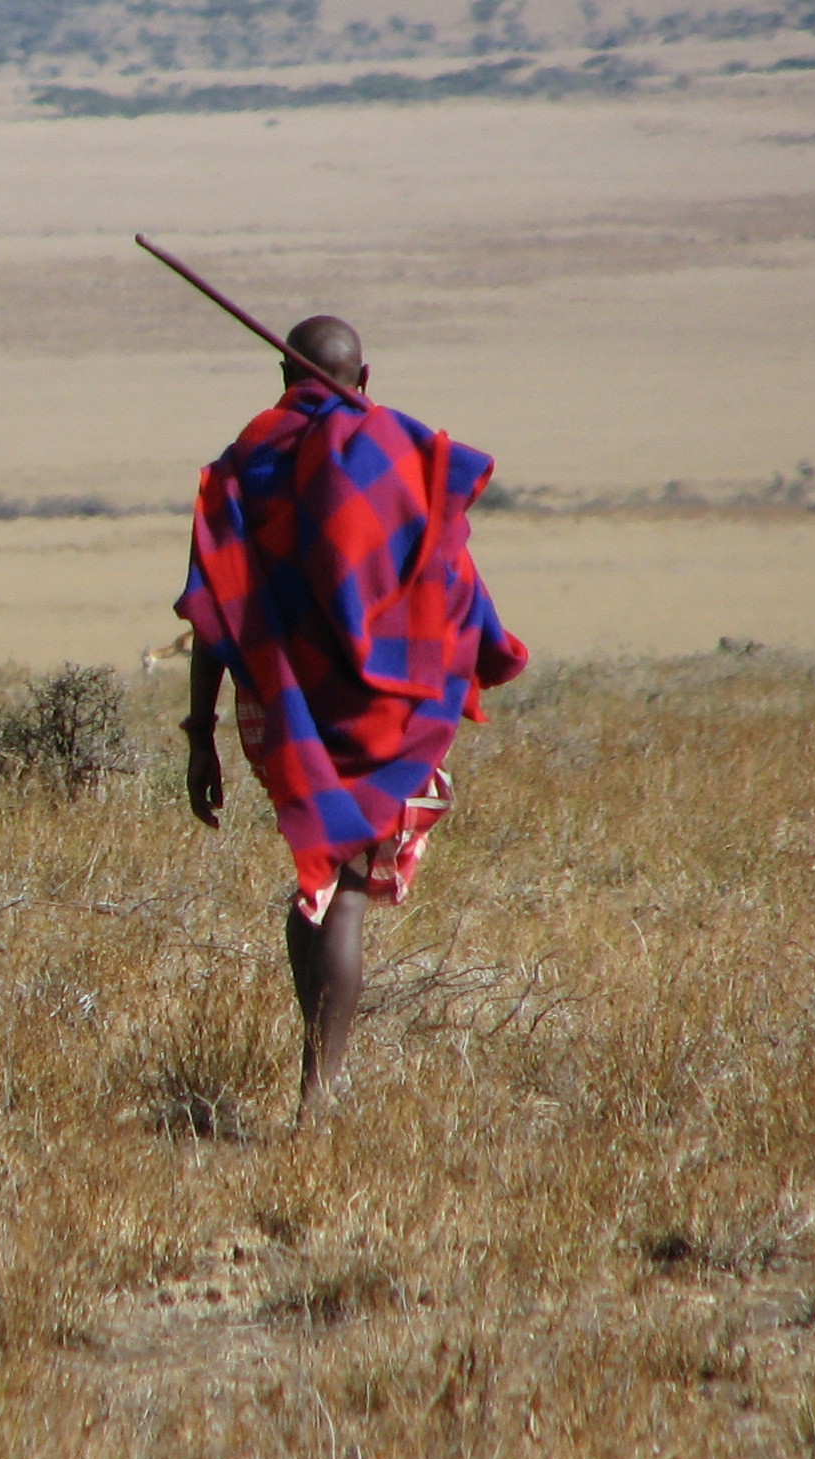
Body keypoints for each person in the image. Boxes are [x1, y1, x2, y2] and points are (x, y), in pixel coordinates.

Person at [174, 315, 529, 1122]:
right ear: (363, 378)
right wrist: (477, 650)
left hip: (282, 708)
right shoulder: (396, 458)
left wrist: (200, 732)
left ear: (280, 373)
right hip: (389, 710)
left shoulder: (245, 466)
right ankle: (321, 1089)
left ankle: (318, 1073)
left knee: (320, 875)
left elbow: (217, 606)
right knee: (347, 893)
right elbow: (449, 573)